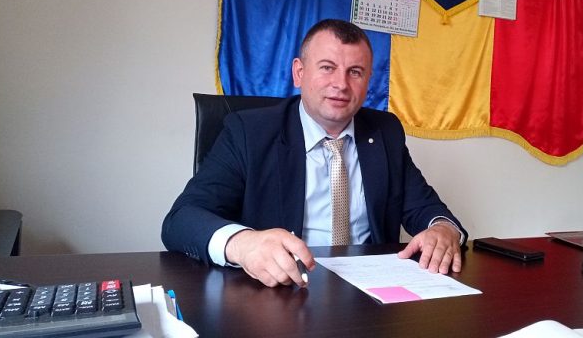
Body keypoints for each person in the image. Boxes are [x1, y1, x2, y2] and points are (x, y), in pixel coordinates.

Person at [162, 19, 467, 288]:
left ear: (368, 81)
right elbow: (181, 219)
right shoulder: (249, 132)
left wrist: (443, 229)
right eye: (327, 68)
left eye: (355, 72)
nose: (341, 84)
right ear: (299, 72)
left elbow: (425, 207)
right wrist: (242, 244)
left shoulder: (384, 131)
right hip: (281, 290)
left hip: (372, 295)